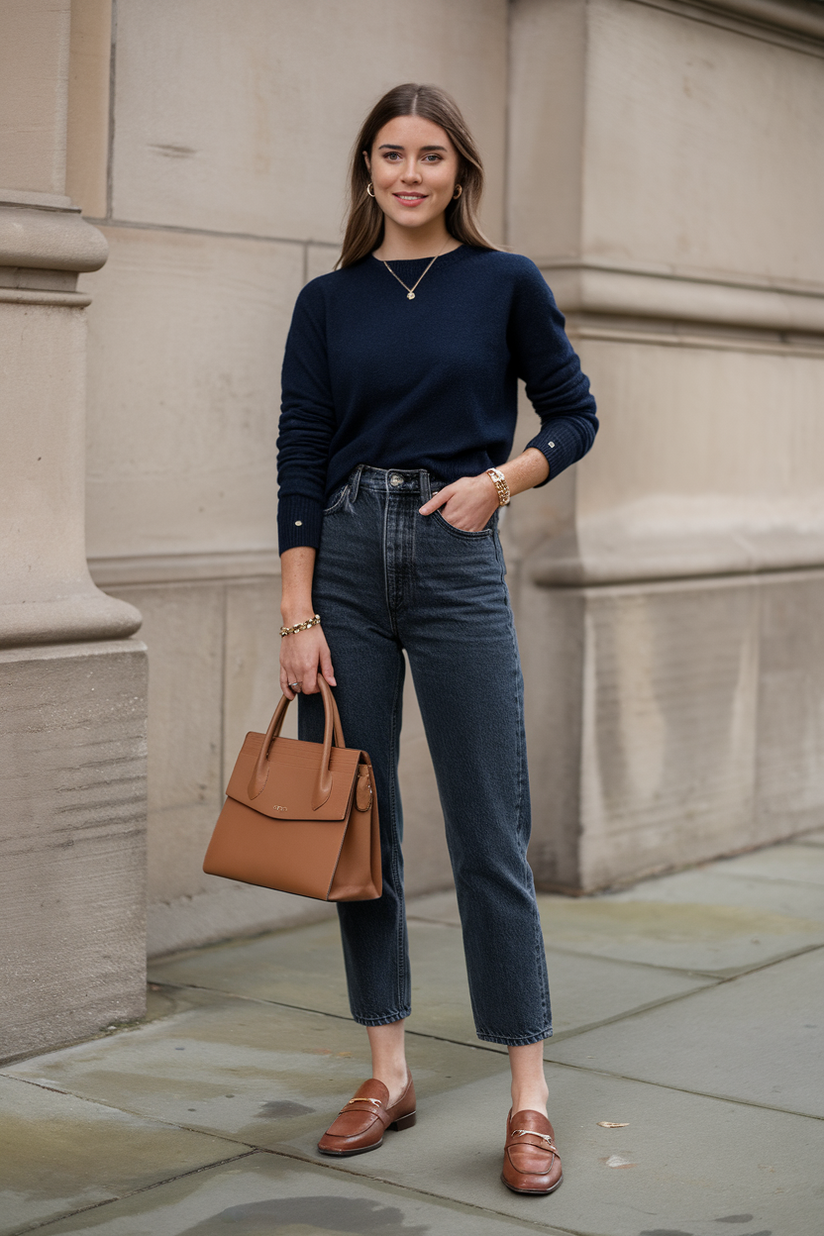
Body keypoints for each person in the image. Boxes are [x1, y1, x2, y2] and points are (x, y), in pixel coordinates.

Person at [276, 82, 597, 1196]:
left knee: (487, 833)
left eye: (427, 155)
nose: (407, 174)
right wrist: (296, 611)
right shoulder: (327, 301)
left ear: (458, 168)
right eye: (387, 155)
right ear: (366, 172)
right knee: (362, 834)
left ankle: (526, 1096)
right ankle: (387, 1070)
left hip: (456, 553)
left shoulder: (503, 282)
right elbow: (299, 455)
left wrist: (499, 485)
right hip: (349, 562)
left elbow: (573, 413)